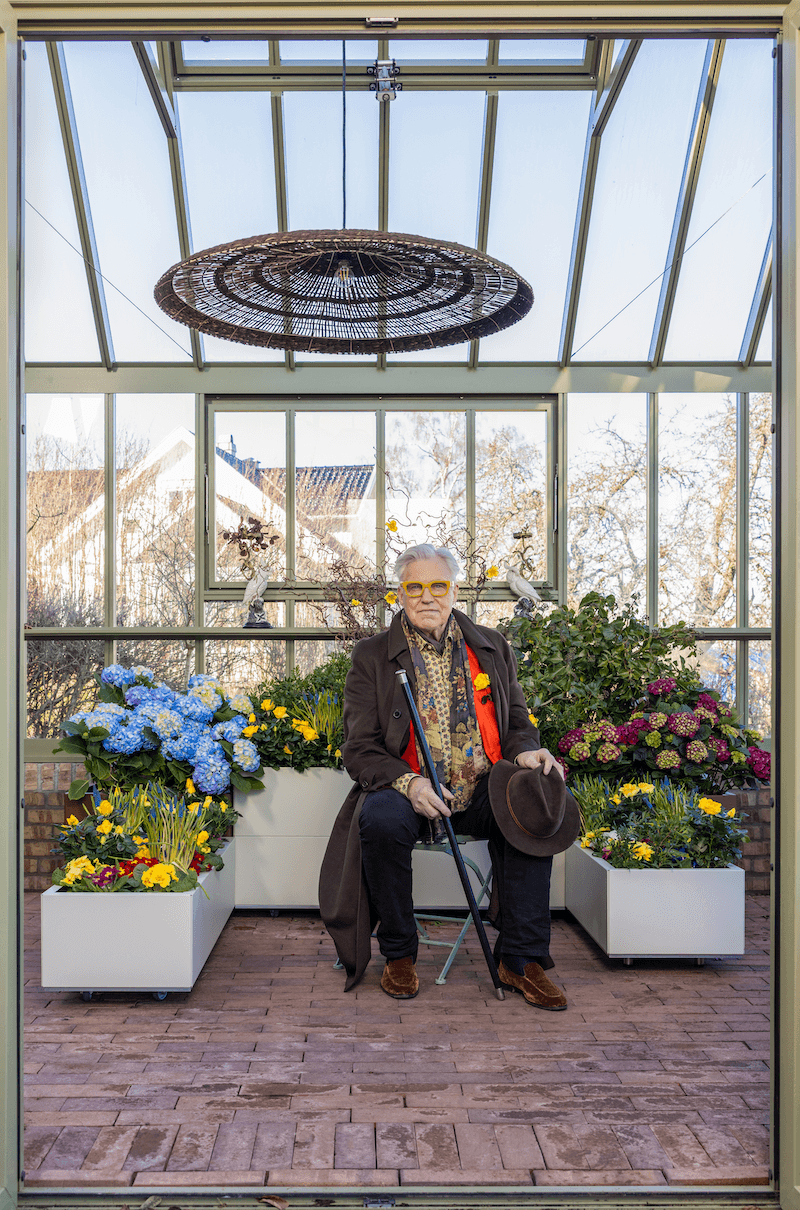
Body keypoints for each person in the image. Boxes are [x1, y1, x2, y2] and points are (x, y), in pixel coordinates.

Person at [318, 544, 580, 1010]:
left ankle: (520, 959)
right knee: (380, 818)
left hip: (481, 790)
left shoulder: (491, 646)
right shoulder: (372, 656)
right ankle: (399, 953)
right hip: (412, 793)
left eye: (438, 586)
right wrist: (411, 784)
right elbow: (359, 747)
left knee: (532, 806)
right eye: (415, 587)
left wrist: (526, 751)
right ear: (400, 594)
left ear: (454, 591)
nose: (427, 597)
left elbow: (517, 723)